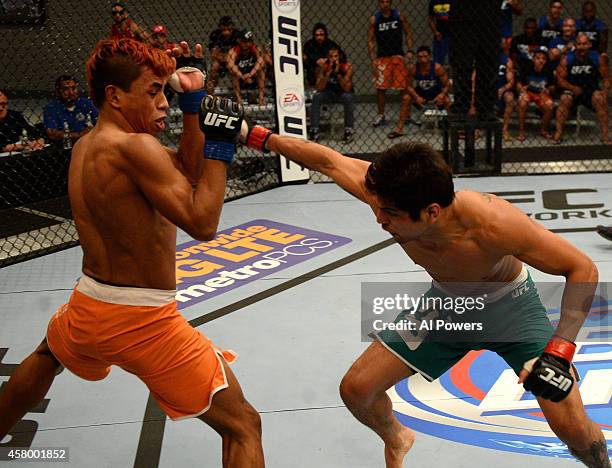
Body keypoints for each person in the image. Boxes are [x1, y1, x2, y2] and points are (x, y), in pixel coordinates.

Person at [239, 123, 609, 468]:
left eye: (391, 215)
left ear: (432, 212)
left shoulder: (493, 223)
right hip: (448, 305)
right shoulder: (390, 197)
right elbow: (326, 159)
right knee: (357, 390)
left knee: (574, 431)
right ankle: (397, 436)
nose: (379, 220)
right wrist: (251, 133)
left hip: (512, 308)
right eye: (380, 208)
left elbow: (582, 269)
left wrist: (560, 350)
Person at [0, 38, 264, 466]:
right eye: (153, 91)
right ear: (114, 95)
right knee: (243, 425)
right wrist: (220, 145)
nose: (164, 103)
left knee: (48, 355)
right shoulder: (136, 148)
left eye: (165, 91)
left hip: (90, 304)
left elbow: (182, 172)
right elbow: (202, 223)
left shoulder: (88, 145)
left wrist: (194, 101)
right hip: (145, 321)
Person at [448, 0, 503, 121]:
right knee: (462, 64)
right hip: (463, 18)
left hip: (489, 17)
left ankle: (485, 108)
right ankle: (461, 107)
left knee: (488, 64)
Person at [553, 33, 611, 145]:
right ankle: (558, 133)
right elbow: (560, 80)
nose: (582, 47)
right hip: (572, 91)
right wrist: (572, 87)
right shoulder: (567, 58)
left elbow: (606, 78)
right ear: (575, 45)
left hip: (591, 91)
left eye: (585, 44)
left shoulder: (596, 58)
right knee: (565, 98)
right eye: (579, 44)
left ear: (589, 45)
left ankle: (605, 135)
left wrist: (605, 91)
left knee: (600, 98)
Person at [368, 0, 414, 128]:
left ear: (391, 3)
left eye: (387, 1)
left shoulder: (398, 16)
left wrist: (409, 50)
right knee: (381, 89)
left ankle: (407, 116)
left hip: (398, 55)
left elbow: (408, 33)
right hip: (382, 57)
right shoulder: (375, 19)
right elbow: (370, 40)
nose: (385, 4)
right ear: (378, 3)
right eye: (382, 2)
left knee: (403, 87)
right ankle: (381, 115)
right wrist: (373, 59)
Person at [388, 45, 450, 138]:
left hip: (436, 92)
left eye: (425, 56)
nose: (422, 59)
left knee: (447, 101)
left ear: (430, 56)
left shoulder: (437, 68)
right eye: (420, 57)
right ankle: (399, 129)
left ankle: (451, 126)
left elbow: (447, 85)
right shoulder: (413, 68)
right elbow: (408, 86)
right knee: (406, 98)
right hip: (421, 93)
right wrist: (416, 96)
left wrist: (442, 94)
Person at [308, 46, 355, 143]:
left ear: (339, 57)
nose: (333, 59)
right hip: (328, 93)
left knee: (349, 97)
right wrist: (328, 73)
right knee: (317, 96)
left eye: (335, 56)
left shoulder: (347, 66)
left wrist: (338, 73)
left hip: (342, 93)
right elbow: (319, 88)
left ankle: (348, 130)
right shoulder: (323, 67)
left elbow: (347, 88)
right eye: (330, 56)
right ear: (327, 58)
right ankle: (314, 130)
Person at [43, 75, 98, 145]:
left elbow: (101, 122)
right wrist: (79, 135)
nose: (71, 92)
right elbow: (52, 133)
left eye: (73, 88)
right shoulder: (51, 108)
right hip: (65, 147)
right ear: (58, 92)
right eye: (66, 89)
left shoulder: (86, 103)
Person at [517, 48, 556, 141]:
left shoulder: (549, 70)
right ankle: (521, 131)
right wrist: (522, 90)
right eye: (538, 58)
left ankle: (543, 130)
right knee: (522, 103)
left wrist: (548, 90)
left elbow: (552, 86)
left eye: (543, 59)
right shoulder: (527, 68)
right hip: (528, 92)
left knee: (549, 105)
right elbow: (518, 83)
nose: (541, 60)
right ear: (533, 59)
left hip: (541, 93)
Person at [227, 30, 266, 105]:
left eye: (248, 41)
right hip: (240, 76)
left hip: (252, 75)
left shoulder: (256, 48)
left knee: (261, 70)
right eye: (244, 41)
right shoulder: (234, 51)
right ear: (239, 41)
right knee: (232, 72)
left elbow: (261, 61)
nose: (247, 44)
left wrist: (250, 74)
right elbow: (230, 65)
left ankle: (261, 98)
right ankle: (239, 99)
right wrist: (242, 76)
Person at [207, 16, 241, 95]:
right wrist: (227, 57)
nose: (226, 33)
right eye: (224, 30)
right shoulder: (215, 35)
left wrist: (230, 59)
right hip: (220, 61)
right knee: (214, 67)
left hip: (235, 61)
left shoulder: (237, 35)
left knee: (232, 67)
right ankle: (209, 94)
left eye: (229, 30)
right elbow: (214, 54)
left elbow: (239, 53)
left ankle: (238, 96)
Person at [303, 23, 342, 88]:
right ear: (314, 35)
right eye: (317, 35)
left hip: (329, 69)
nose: (319, 37)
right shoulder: (309, 44)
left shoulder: (331, 44)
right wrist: (316, 60)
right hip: (313, 69)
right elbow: (305, 57)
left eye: (321, 35)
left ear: (325, 35)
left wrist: (327, 60)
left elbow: (341, 55)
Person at [496, 52, 517, 141]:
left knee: (510, 98)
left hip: (502, 88)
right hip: (487, 89)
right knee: (476, 95)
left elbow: (511, 82)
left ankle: (504, 129)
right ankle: (477, 130)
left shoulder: (507, 60)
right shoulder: (483, 57)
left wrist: (502, 89)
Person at [427, 0, 451, 65]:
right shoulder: (433, 2)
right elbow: (430, 19)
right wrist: (436, 32)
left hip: (453, 33)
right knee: (438, 61)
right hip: (440, 35)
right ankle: (437, 74)